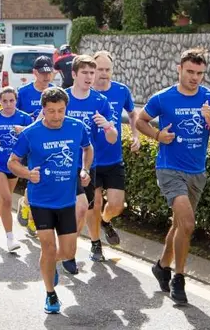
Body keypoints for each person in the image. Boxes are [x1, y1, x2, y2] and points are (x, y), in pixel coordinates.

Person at [135, 47, 210, 305]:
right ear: (179, 69)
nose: (195, 77)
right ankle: (179, 278)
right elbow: (141, 121)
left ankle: (162, 266)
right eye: (190, 72)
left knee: (178, 225)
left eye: (199, 73)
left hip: (197, 172)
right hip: (169, 169)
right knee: (187, 224)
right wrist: (157, 136)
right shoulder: (163, 98)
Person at [8, 87, 93, 314]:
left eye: (61, 111)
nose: (56, 116)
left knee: (68, 253)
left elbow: (88, 148)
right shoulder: (30, 133)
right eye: (51, 111)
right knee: (47, 246)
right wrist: (27, 173)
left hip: (66, 200)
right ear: (43, 110)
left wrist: (84, 170)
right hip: (41, 199)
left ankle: (49, 265)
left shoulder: (77, 127)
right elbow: (13, 162)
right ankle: (50, 294)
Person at [64, 54, 118, 263]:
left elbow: (112, 138)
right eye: (84, 72)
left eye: (92, 73)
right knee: (72, 208)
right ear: (74, 74)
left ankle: (69, 252)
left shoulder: (100, 102)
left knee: (81, 210)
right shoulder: (63, 98)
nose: (89, 76)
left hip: (87, 165)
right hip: (63, 164)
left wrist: (107, 125)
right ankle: (65, 249)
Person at [92, 50, 140, 246]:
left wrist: (135, 135)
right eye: (99, 69)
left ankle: (105, 220)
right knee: (95, 204)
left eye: (107, 69)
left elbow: (132, 113)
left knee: (117, 205)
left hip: (113, 158)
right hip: (91, 160)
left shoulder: (121, 91)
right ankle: (96, 245)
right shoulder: (85, 92)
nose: (103, 73)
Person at [0, 87, 33, 252]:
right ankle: (10, 238)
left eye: (11, 100)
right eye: (4, 101)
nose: (8, 104)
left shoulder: (24, 118)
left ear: (16, 100)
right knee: (6, 199)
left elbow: (35, 134)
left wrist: (24, 130)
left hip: (14, 164)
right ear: (0, 101)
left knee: (3, 199)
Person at [15, 56, 55, 236]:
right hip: (30, 142)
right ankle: (32, 218)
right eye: (42, 73)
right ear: (34, 73)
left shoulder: (57, 92)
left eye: (49, 72)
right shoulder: (23, 92)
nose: (46, 77)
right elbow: (14, 115)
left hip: (50, 143)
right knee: (34, 177)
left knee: (43, 179)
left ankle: (27, 204)